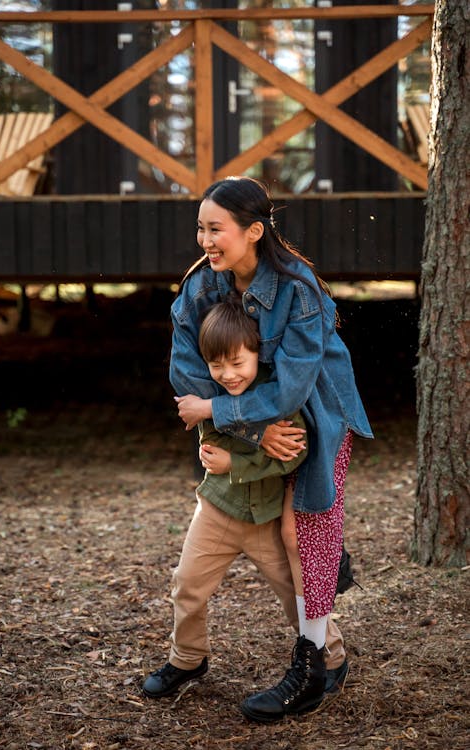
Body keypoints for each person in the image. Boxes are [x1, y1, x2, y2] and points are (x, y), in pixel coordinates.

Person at [168, 176, 373, 722]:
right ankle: (323, 604)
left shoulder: (297, 288)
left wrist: (217, 412)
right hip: (259, 430)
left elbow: (293, 389)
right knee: (284, 541)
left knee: (298, 530)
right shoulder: (200, 288)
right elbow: (187, 372)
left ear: (253, 231)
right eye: (201, 229)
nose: (206, 241)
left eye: (217, 230)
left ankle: (311, 666)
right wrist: (255, 433)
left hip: (317, 419)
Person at [142, 298, 309, 700]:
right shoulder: (207, 394)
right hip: (217, 510)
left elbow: (292, 453)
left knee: (294, 593)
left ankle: (329, 656)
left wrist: (238, 459)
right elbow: (212, 445)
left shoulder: (278, 396)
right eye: (218, 365)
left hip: (266, 515)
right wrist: (250, 446)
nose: (229, 375)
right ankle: (187, 657)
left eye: (238, 363)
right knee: (187, 584)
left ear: (257, 354)